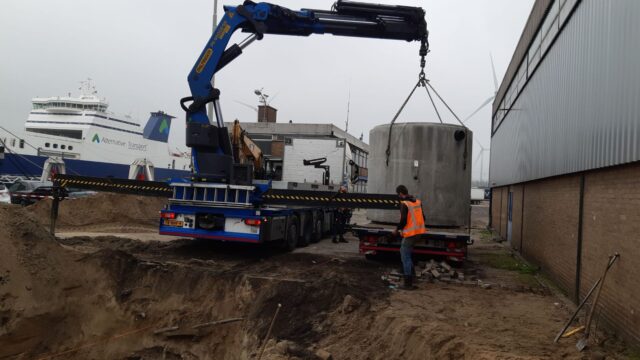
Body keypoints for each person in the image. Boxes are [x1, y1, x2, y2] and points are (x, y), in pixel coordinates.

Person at [392, 185, 427, 290]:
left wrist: (396, 230)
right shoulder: (417, 202)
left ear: (400, 194)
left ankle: (408, 284)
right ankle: (413, 277)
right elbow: (423, 217)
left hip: (410, 234)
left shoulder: (404, 204)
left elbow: (403, 221)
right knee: (408, 255)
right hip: (419, 233)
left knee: (405, 256)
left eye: (398, 195)